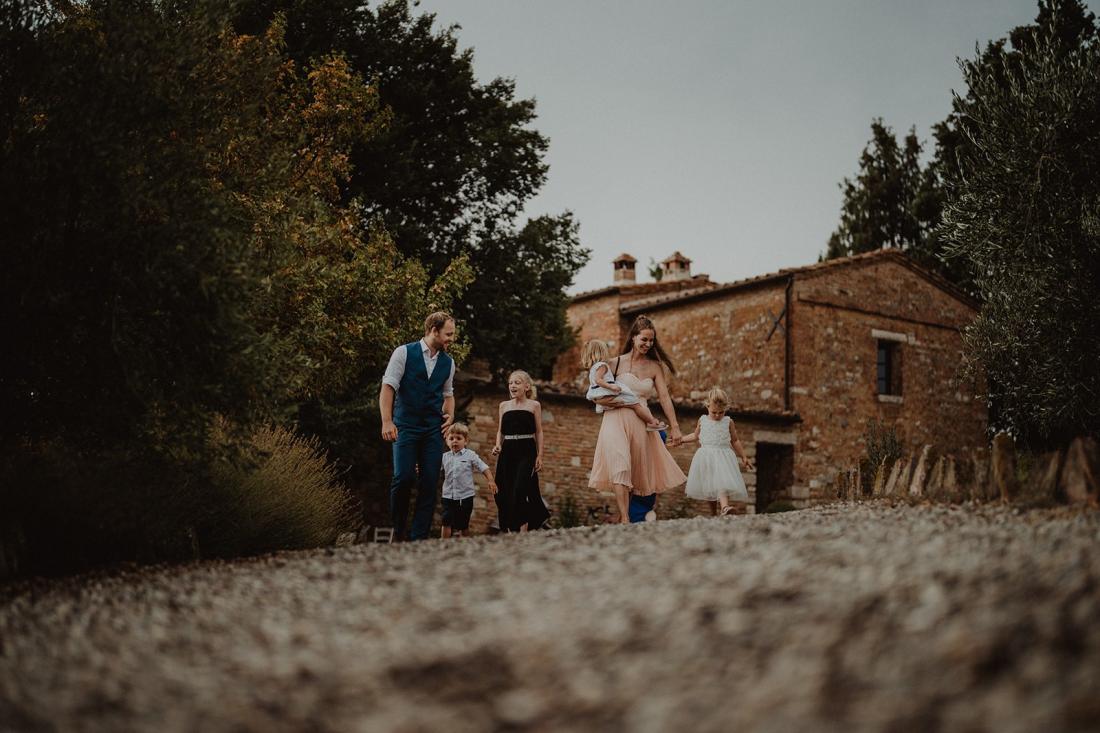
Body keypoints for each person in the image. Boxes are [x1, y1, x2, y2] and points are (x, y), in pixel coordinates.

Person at [589, 315, 687, 523]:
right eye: (644, 339)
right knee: (620, 463)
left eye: (651, 340)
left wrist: (675, 426)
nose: (648, 344)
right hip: (615, 419)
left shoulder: (655, 367)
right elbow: (596, 392)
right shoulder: (613, 364)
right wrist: (617, 403)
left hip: (641, 422)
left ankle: (626, 517)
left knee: (634, 471)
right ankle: (625, 518)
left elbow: (664, 397)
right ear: (633, 337)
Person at [379, 312, 456, 541]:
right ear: (434, 330)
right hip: (405, 425)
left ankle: (418, 538)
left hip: (432, 429)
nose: (451, 339)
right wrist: (387, 421)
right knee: (402, 478)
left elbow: (448, 394)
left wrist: (450, 415)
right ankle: (398, 532)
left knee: (430, 482)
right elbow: (388, 387)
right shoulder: (403, 352)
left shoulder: (448, 363)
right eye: (448, 334)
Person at [491, 370, 551, 532]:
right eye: (510, 383)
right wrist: (498, 445)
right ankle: (512, 529)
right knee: (503, 491)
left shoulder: (534, 405)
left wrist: (540, 455)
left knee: (520, 489)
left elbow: (539, 432)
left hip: (527, 450)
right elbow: (500, 431)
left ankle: (523, 529)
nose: (512, 385)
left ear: (527, 387)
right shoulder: (503, 406)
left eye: (517, 382)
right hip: (507, 450)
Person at [680, 386, 753, 516]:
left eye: (721, 412)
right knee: (710, 487)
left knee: (721, 483)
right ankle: (713, 513)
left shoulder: (728, 422)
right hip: (706, 458)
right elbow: (695, 436)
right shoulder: (702, 420)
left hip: (723, 457)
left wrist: (744, 456)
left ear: (725, 409)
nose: (718, 415)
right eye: (714, 412)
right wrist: (681, 440)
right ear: (707, 406)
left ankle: (725, 507)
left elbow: (735, 440)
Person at [582, 339, 667, 432]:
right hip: (608, 392)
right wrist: (611, 386)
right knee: (636, 405)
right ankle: (651, 422)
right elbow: (598, 380)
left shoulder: (593, 368)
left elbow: (594, 383)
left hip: (599, 394)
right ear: (601, 352)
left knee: (628, 404)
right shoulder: (602, 365)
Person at [440, 422, 496, 538]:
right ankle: (443, 544)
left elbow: (483, 467)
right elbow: (433, 468)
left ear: (465, 441)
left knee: (463, 525)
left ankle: (465, 544)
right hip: (448, 496)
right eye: (451, 438)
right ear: (447, 441)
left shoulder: (470, 455)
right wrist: (422, 468)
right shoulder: (444, 457)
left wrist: (490, 480)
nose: (455, 441)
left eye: (458, 438)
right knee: (446, 521)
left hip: (465, 497)